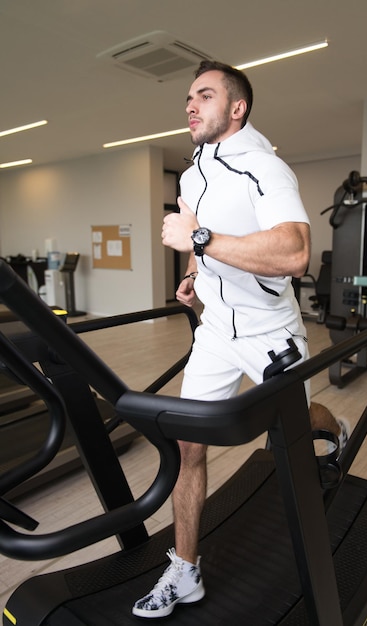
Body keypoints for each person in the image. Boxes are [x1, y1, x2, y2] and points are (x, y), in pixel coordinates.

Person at [132, 60, 349, 619]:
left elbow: (294, 253)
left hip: (269, 332)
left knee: (294, 435)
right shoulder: (192, 171)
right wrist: (193, 273)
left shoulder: (265, 169)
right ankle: (185, 570)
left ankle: (334, 425)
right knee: (188, 442)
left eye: (204, 95)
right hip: (216, 331)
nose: (190, 104)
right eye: (187, 97)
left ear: (237, 108)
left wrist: (199, 238)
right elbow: (200, 244)